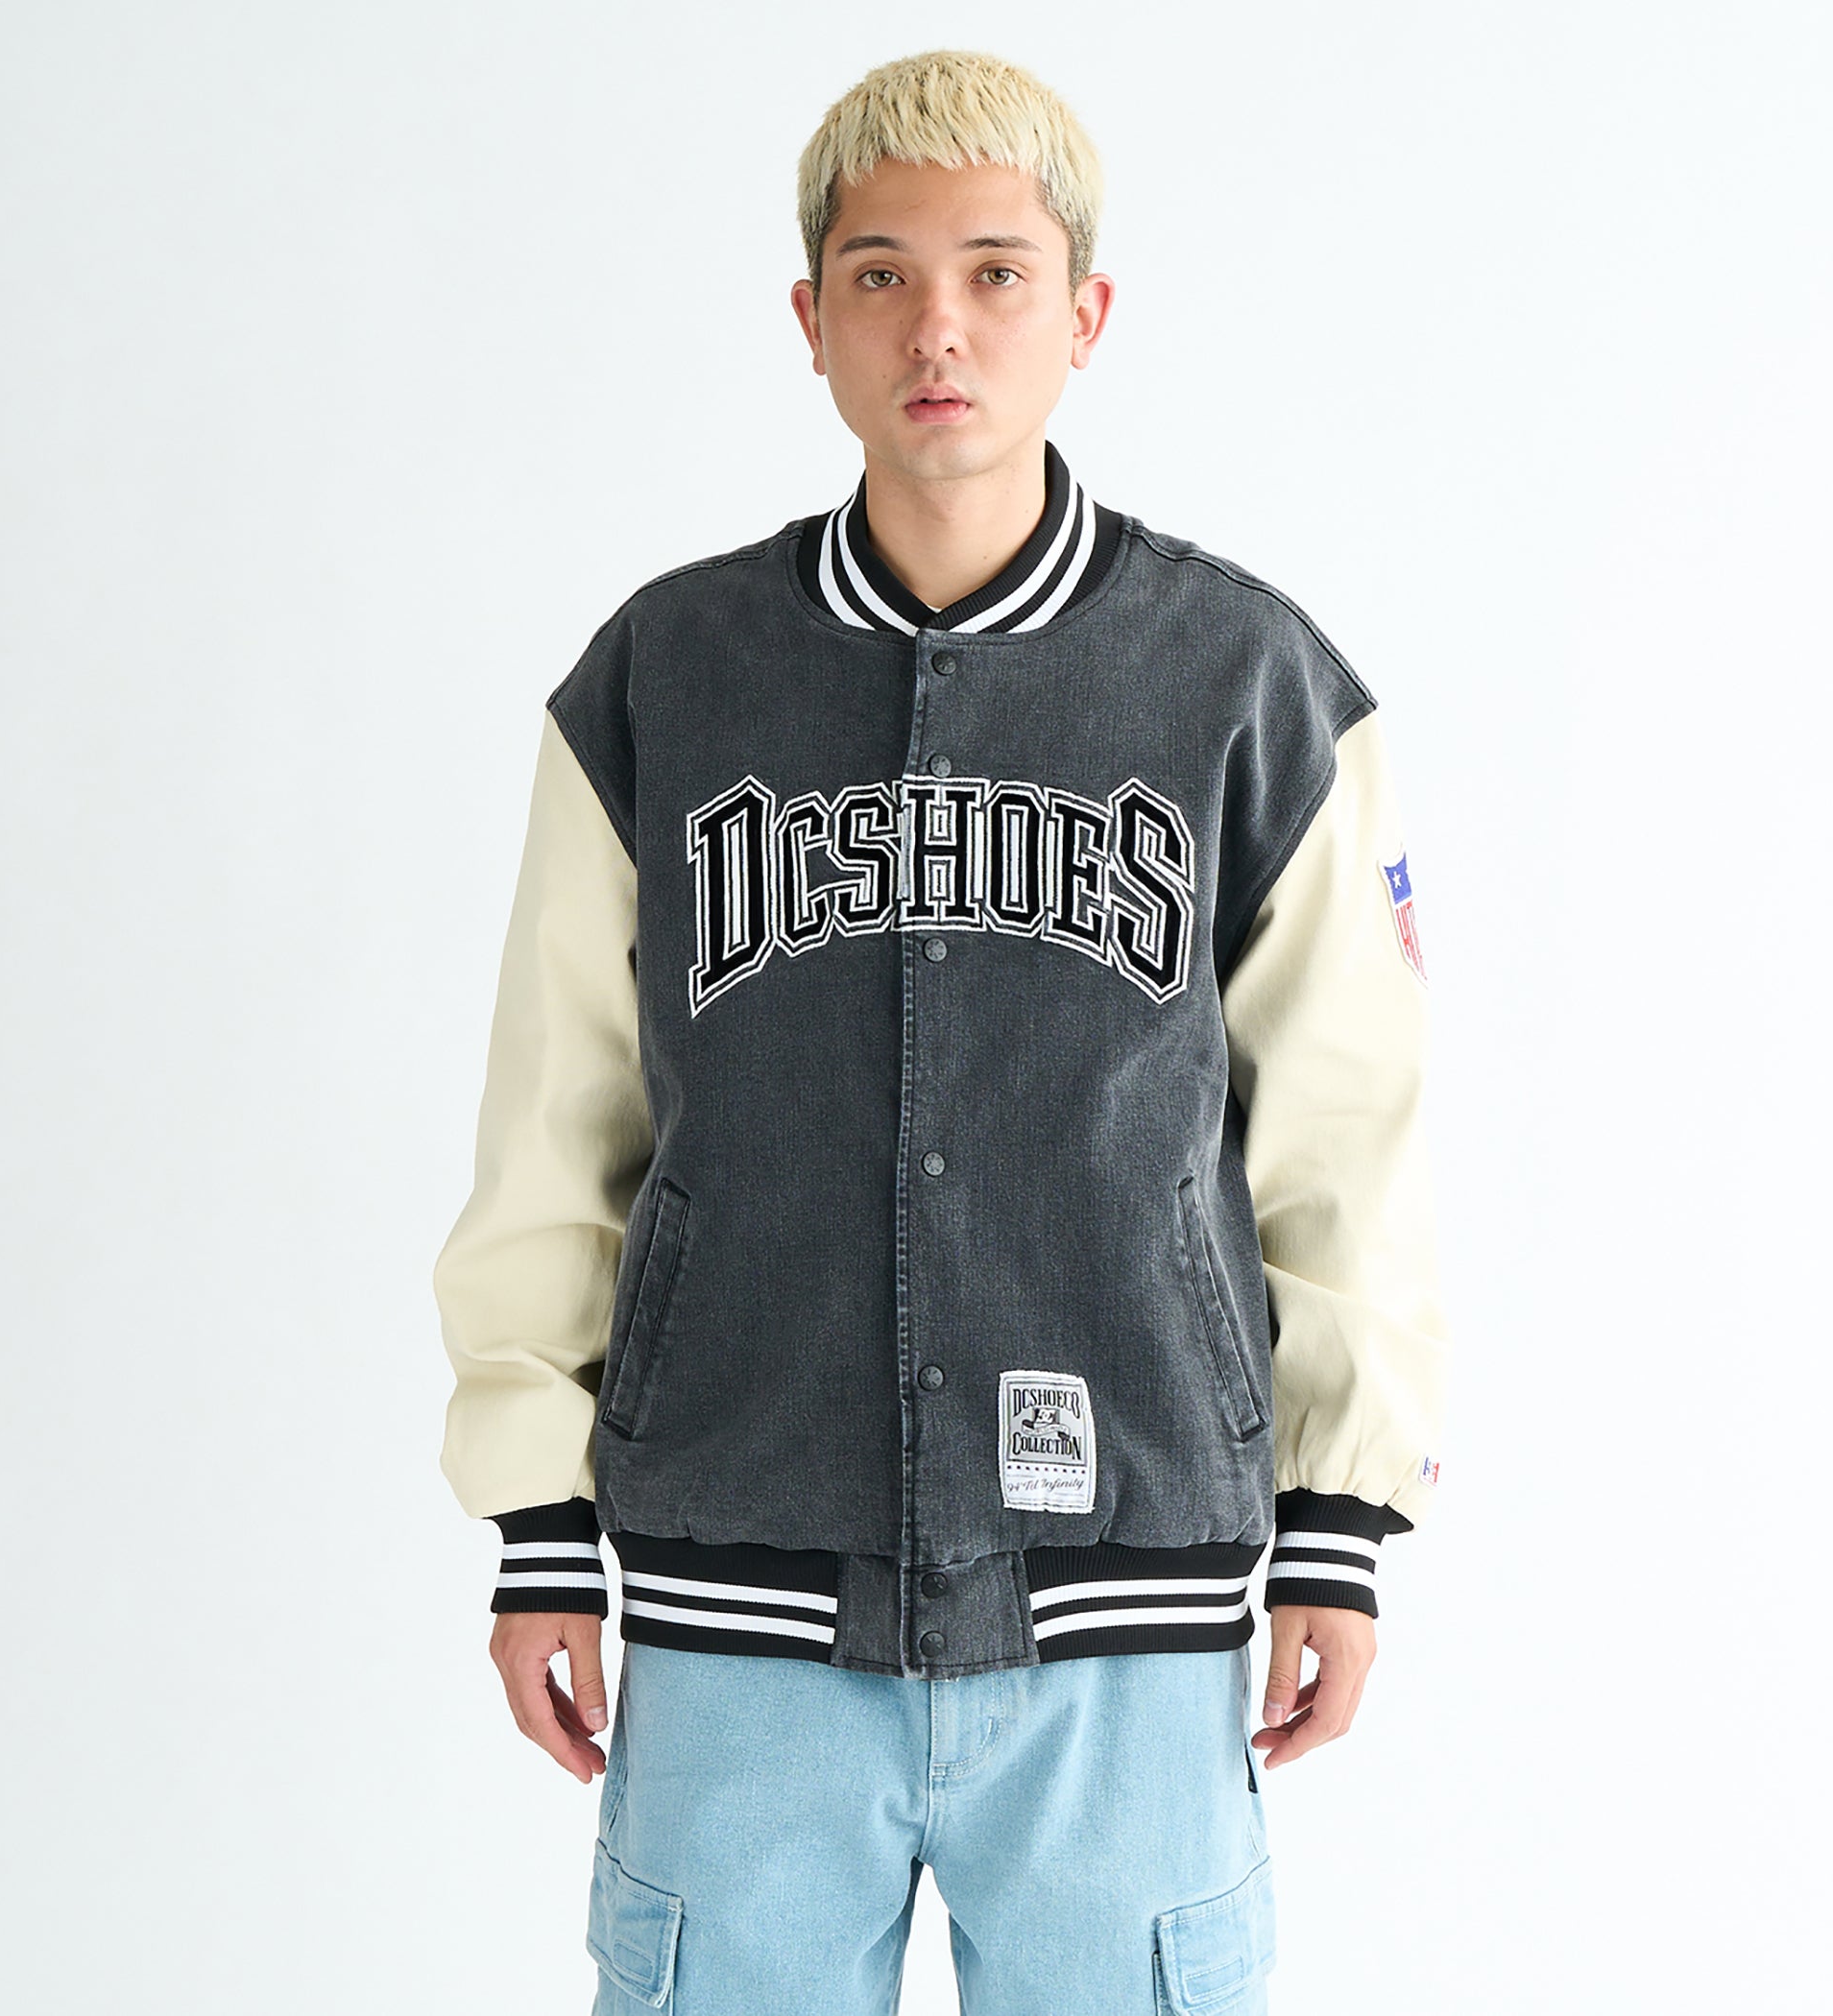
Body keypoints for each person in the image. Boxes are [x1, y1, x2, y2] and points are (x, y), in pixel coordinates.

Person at [433, 47, 1450, 2015]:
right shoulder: (665, 677)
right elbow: (557, 1118)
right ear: (809, 317)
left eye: (996, 272)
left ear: (1086, 312)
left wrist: (1339, 1521)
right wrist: (540, 1523)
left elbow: (1348, 1127)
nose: (939, 329)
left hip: (1126, 1601)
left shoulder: (1247, 684)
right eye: (881, 275)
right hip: (738, 1591)